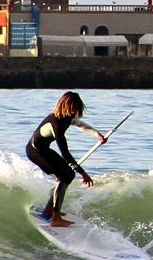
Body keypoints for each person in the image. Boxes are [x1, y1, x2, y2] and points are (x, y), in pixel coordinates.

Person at [26, 91, 105, 227]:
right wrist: (83, 173)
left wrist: (97, 134)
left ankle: (49, 210)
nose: (75, 112)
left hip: (44, 149)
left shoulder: (69, 117)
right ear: (65, 106)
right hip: (35, 151)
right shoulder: (55, 122)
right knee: (63, 177)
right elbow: (65, 153)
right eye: (73, 108)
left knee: (69, 175)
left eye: (77, 109)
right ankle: (55, 218)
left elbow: (80, 124)